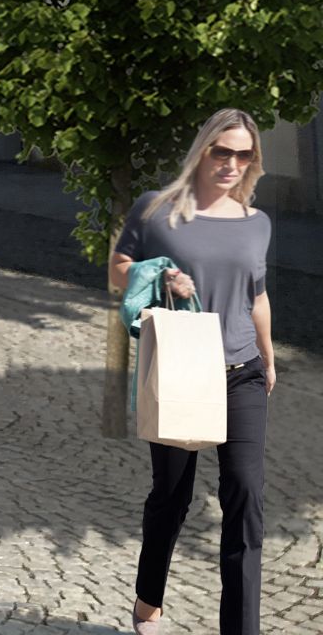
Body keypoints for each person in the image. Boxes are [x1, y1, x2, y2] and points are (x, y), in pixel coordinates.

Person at [110, 109, 276, 635]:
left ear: (253, 161)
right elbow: (119, 269)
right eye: (221, 151)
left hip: (242, 370)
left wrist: (268, 358)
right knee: (172, 496)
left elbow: (258, 294)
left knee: (245, 494)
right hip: (183, 366)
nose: (231, 162)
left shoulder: (256, 222)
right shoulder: (157, 210)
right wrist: (160, 273)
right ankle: (148, 599)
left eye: (243, 154)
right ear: (203, 150)